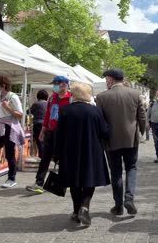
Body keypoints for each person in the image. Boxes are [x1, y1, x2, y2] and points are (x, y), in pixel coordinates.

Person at [55, 83, 110, 226]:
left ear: (74, 95)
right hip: (92, 151)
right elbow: (104, 132)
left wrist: (56, 154)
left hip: (70, 152)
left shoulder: (66, 110)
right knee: (89, 180)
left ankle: (75, 211)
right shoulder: (95, 111)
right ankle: (85, 206)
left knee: (74, 182)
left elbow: (59, 135)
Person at [96, 68, 146, 216]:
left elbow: (100, 121)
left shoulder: (102, 97)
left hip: (111, 140)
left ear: (111, 79)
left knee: (116, 172)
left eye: (106, 79)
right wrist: (141, 132)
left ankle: (118, 205)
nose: (106, 81)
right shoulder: (135, 94)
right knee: (131, 168)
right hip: (131, 139)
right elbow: (142, 117)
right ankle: (129, 198)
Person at [26, 76, 72, 194]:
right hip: (50, 131)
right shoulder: (52, 98)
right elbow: (47, 114)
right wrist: (43, 130)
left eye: (56, 84)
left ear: (64, 85)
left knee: (63, 158)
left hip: (64, 133)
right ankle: (39, 183)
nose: (54, 87)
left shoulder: (71, 98)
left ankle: (65, 181)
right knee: (45, 157)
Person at [30, 90, 48, 158]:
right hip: (47, 125)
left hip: (37, 124)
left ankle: (41, 157)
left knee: (39, 142)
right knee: (45, 142)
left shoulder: (36, 104)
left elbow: (29, 111)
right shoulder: (49, 104)